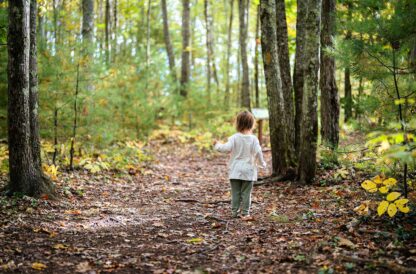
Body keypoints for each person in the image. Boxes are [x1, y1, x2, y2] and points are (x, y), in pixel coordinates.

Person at [214, 111, 267, 220]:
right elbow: (258, 152)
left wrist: (217, 145)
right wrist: (263, 164)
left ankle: (234, 212)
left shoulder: (234, 137)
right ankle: (245, 213)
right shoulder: (253, 139)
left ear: (238, 124)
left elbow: (225, 149)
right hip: (249, 170)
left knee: (235, 192)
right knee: (246, 193)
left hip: (235, 170)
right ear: (252, 124)